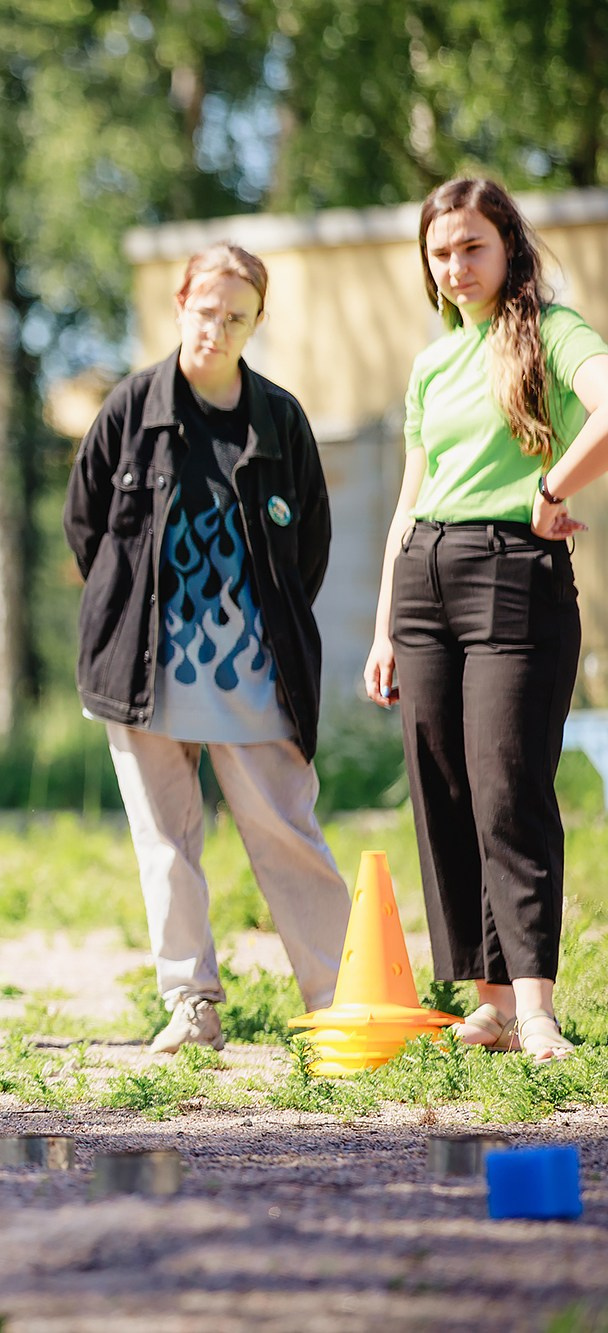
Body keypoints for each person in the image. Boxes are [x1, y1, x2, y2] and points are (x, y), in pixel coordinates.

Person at [64, 243, 349, 1054]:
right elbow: (88, 527)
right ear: (179, 304)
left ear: (257, 322)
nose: (215, 329)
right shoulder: (130, 408)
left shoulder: (280, 418)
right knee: (166, 842)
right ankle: (192, 1004)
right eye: (204, 310)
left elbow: (310, 548)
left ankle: (338, 1003)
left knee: (289, 832)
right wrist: (133, 617)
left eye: (236, 317)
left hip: (257, 674)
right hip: (144, 673)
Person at [364, 178, 608, 1062]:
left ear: (507, 244)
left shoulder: (552, 330)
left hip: (515, 576)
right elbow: (410, 500)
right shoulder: (433, 364)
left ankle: (538, 1008)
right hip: (424, 577)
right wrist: (386, 625)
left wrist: (553, 487)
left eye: (473, 246)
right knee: (445, 792)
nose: (457, 266)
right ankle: (490, 1001)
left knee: (509, 788)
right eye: (441, 252)